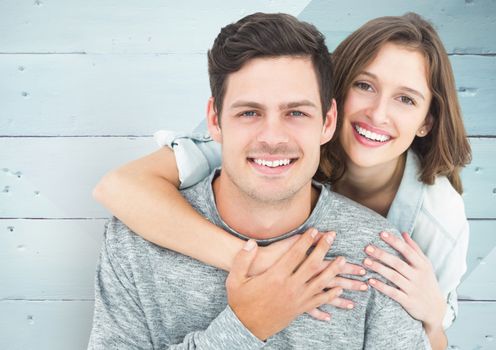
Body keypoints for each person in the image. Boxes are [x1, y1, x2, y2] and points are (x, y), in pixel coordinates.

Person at [92, 12, 470, 349]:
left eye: (296, 112)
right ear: (215, 120)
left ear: (326, 119)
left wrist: (433, 321)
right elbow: (120, 187)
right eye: (249, 112)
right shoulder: (136, 241)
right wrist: (247, 314)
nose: (272, 138)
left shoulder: (396, 251)